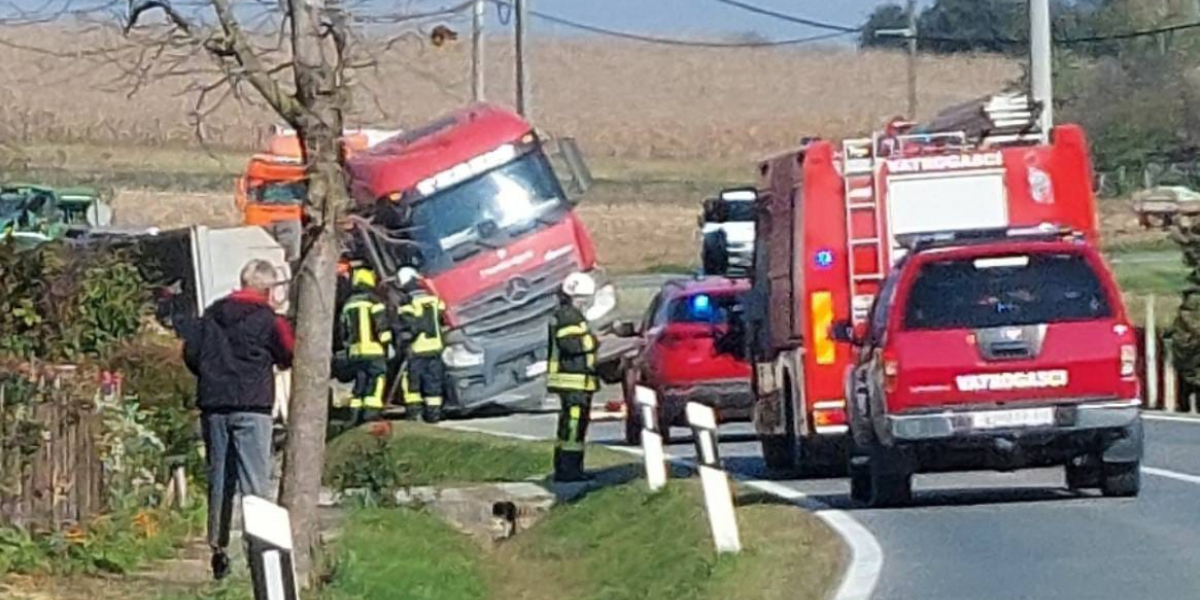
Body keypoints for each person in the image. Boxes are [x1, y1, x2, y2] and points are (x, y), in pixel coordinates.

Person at [182, 259, 294, 581]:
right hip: (253, 405)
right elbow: (288, 352)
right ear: (267, 288)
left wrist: (211, 375)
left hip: (215, 404)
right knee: (255, 484)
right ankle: (259, 553)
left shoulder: (212, 314)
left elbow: (190, 352)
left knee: (220, 479)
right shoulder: (268, 319)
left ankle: (218, 549)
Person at [548, 272, 600, 482]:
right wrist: (595, 342)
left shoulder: (569, 315)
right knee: (572, 428)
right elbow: (571, 344)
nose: (586, 303)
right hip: (573, 381)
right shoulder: (569, 316)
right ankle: (569, 471)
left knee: (571, 427)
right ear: (576, 297)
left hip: (577, 381)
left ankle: (567, 469)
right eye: (585, 299)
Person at [338, 266, 393, 425]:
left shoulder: (348, 304)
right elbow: (381, 326)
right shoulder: (374, 301)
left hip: (355, 352)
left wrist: (348, 348)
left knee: (360, 382)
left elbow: (343, 331)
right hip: (374, 350)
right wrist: (388, 344)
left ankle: (355, 415)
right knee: (377, 379)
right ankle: (371, 413)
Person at [395, 266, 449, 423]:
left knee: (412, 385)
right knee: (433, 383)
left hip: (417, 350)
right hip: (435, 348)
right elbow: (442, 314)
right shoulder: (432, 298)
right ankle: (434, 415)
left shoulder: (407, 302)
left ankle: (414, 414)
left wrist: (403, 342)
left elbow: (408, 326)